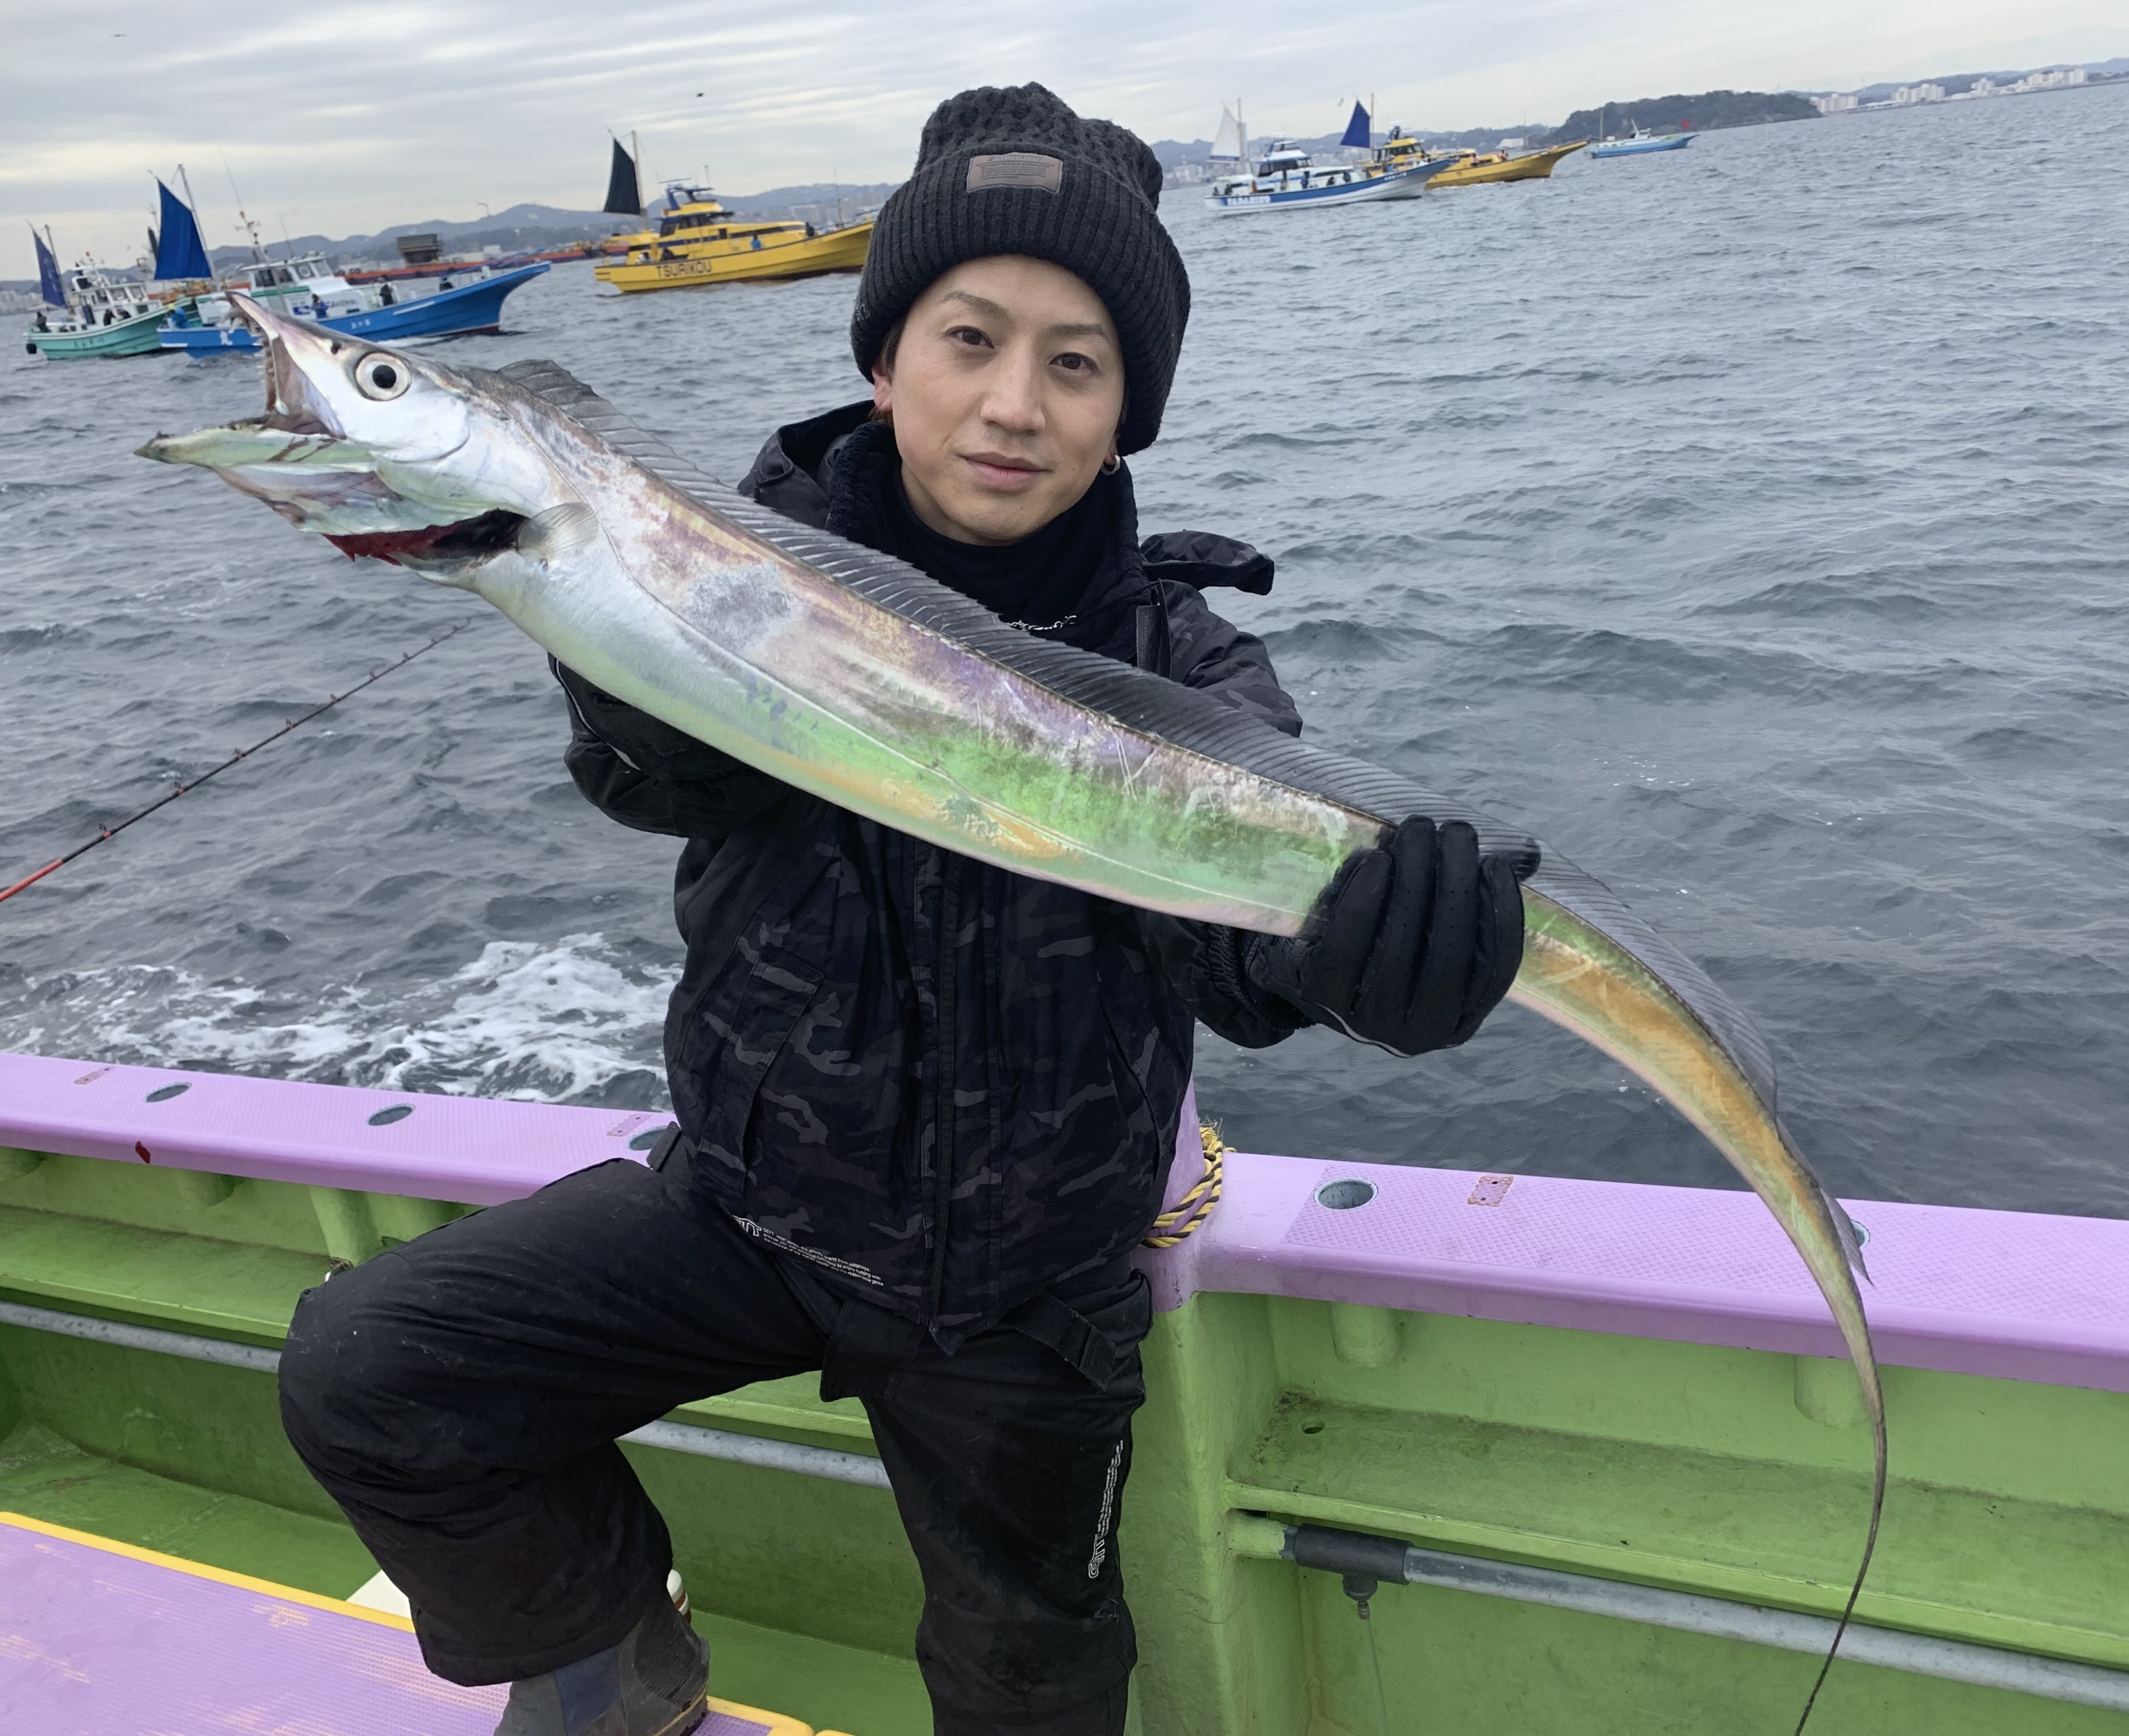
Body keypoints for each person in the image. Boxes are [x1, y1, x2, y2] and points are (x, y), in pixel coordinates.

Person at [277, 83, 1525, 1736]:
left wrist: (1367, 958)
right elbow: (647, 767)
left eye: (1074, 362)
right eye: (967, 339)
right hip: (752, 1205)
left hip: (1028, 1279)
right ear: (884, 358)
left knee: (1033, 1670)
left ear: (1123, 412)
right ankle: (603, 1660)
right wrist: (596, 624)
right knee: (372, 1362)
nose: (1013, 404)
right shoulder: (702, 566)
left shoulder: (1186, 668)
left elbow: (1241, 948)